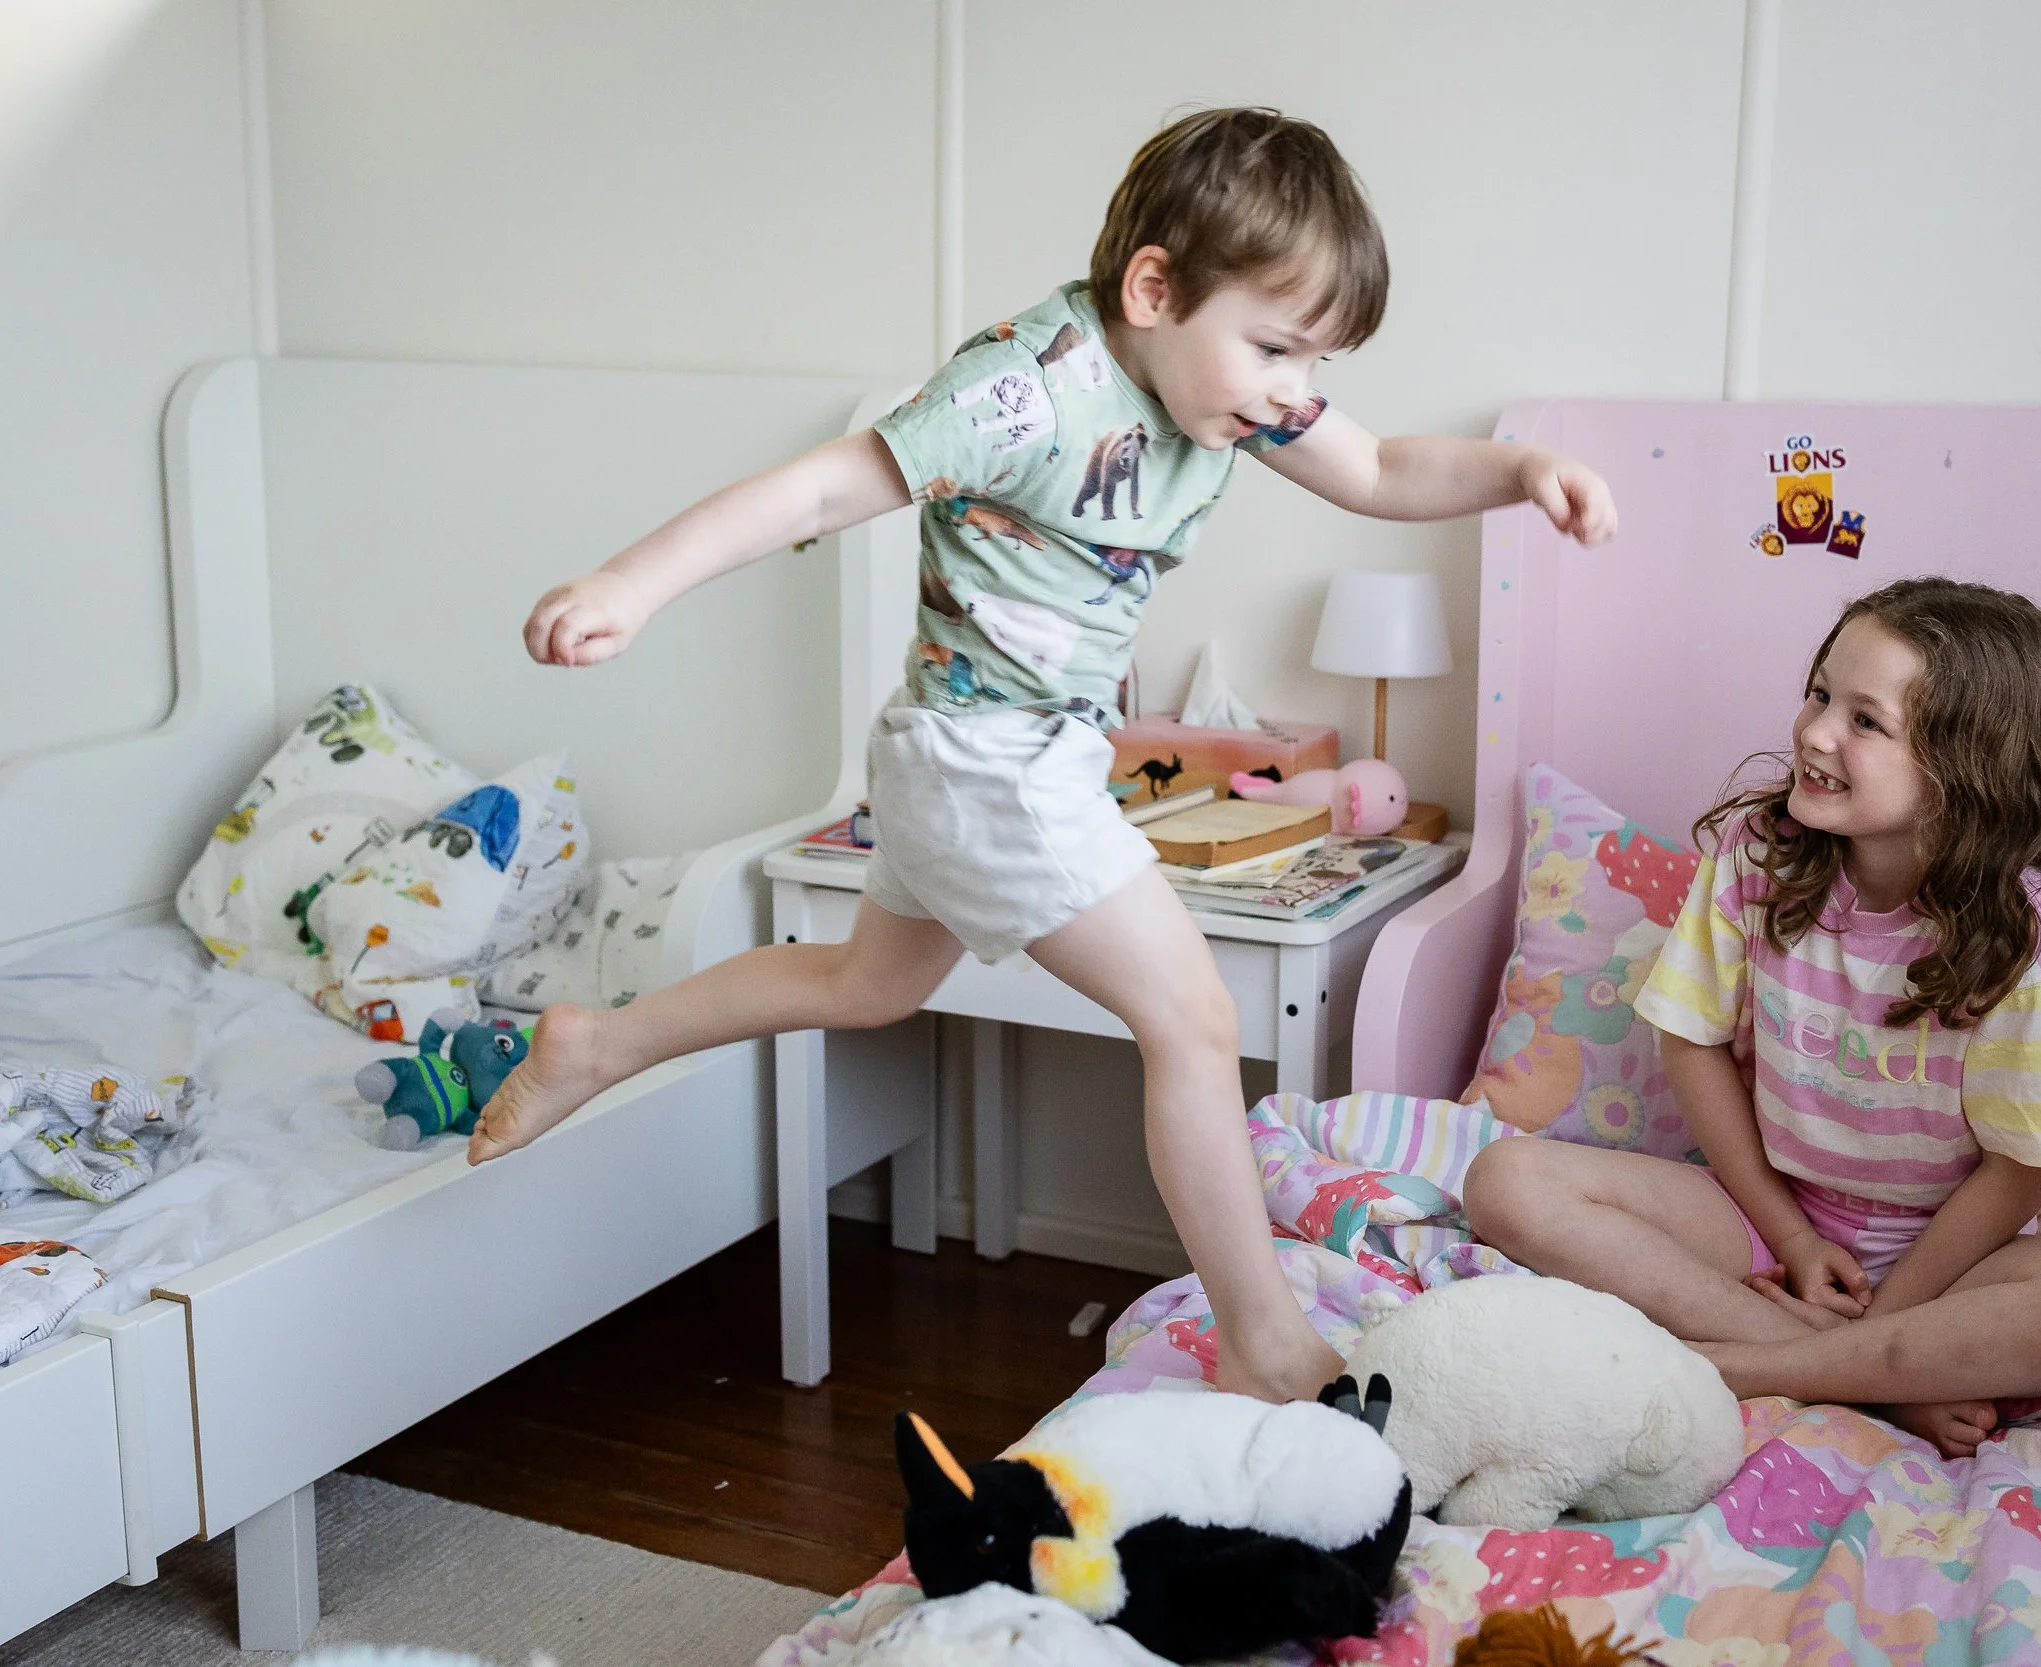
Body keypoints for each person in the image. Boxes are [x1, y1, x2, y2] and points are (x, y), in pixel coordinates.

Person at [466, 107, 1617, 1404]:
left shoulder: (1232, 386)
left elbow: (1386, 467)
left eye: (1315, 360)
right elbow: (818, 490)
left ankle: (602, 1041)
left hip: (1005, 755)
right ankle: (1264, 1334)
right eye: (1280, 349)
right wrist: (631, 581)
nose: (1298, 390)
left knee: (864, 984)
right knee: (1192, 1016)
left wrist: (1522, 468)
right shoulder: (1029, 386)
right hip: (983, 763)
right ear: (1154, 288)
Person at [1464, 577, 2041, 1457]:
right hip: (1768, 1216)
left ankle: (1756, 1366)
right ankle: (1865, 1376)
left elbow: (2018, 1172)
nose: (1815, 731)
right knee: (1507, 1181)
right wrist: (1794, 1238)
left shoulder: (2026, 934)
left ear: (1972, 772)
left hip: (1953, 1257)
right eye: (1819, 692)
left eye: (1865, 720)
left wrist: (1902, 1305)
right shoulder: (1757, 857)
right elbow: (1689, 1039)